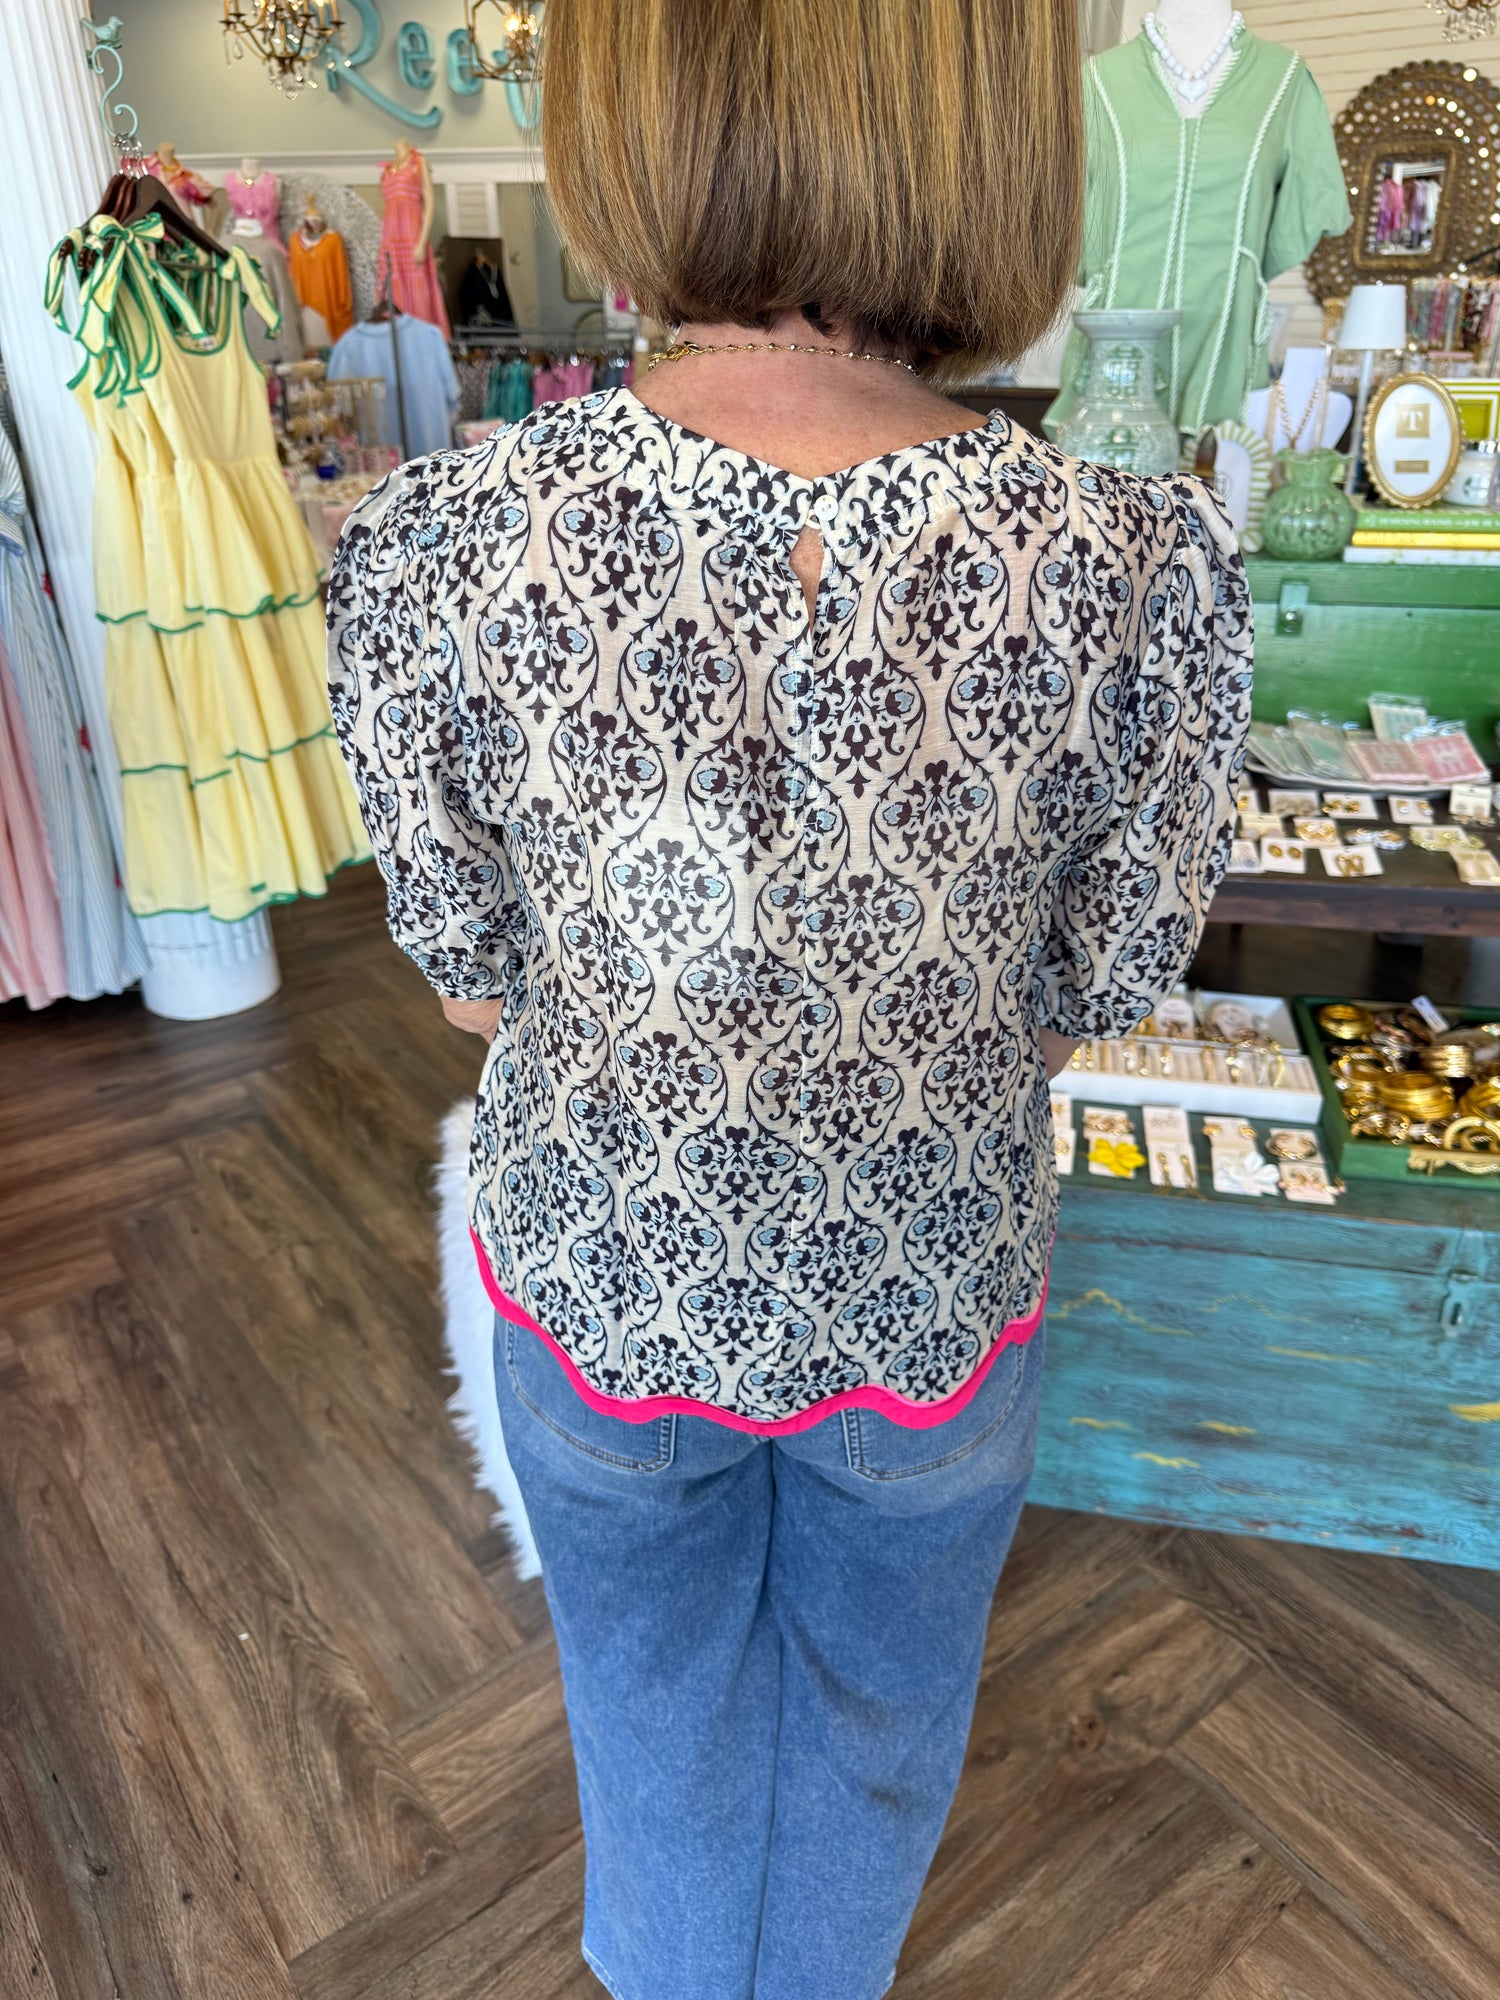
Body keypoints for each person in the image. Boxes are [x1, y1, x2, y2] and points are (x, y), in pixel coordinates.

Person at [326, 3, 1253, 1994]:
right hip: (927, 1288)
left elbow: (475, 984)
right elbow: (1097, 981)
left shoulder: (449, 547)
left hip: (609, 1282)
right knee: (879, 1734)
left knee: (646, 1721)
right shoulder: (1133, 563)